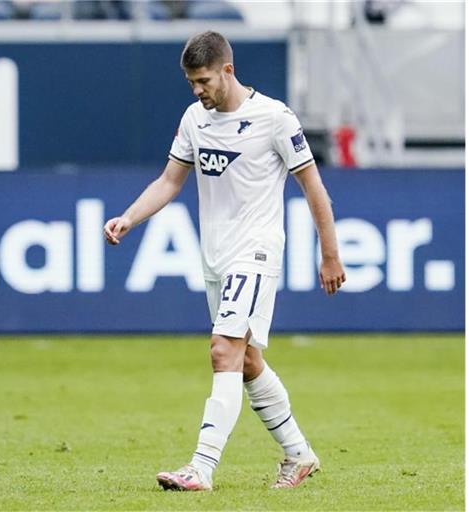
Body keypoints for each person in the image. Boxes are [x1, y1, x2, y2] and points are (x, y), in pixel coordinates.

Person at [103, 31, 346, 491]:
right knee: (247, 360)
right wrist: (129, 218)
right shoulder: (195, 118)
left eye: (204, 80)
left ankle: (201, 467)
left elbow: (314, 188)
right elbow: (170, 182)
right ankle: (299, 454)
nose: (198, 90)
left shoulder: (275, 118)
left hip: (254, 251)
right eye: (192, 83)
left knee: (222, 350)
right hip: (214, 257)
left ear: (227, 70)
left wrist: (329, 253)